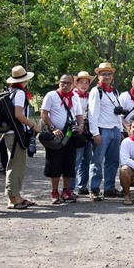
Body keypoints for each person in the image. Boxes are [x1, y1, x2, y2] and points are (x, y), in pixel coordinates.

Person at [41, 74, 84, 204]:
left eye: (68, 83)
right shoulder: (51, 95)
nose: (65, 85)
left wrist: (81, 126)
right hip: (56, 135)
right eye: (62, 82)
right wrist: (53, 128)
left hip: (70, 134)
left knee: (69, 164)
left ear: (72, 85)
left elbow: (79, 114)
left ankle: (66, 191)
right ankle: (54, 191)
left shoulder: (75, 97)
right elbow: (44, 113)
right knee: (54, 163)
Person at [4, 65, 41, 209]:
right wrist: (33, 125)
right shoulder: (19, 93)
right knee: (16, 166)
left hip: (10, 133)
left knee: (13, 164)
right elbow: (18, 114)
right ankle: (14, 197)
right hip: (16, 134)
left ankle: (14, 196)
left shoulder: (11, 91)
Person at [88, 62, 124, 200]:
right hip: (102, 130)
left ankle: (109, 188)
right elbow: (93, 114)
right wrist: (95, 133)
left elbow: (118, 113)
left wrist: (120, 130)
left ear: (112, 76)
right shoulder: (96, 92)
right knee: (97, 161)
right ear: (99, 76)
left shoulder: (115, 91)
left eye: (109, 74)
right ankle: (94, 189)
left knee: (113, 161)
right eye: (104, 74)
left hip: (114, 130)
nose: (107, 76)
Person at [69, 71, 95, 196]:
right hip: (77, 129)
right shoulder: (72, 95)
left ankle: (82, 185)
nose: (84, 85)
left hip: (88, 130)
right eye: (81, 82)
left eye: (86, 82)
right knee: (76, 160)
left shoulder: (90, 96)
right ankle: (69, 188)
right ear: (76, 83)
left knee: (87, 158)